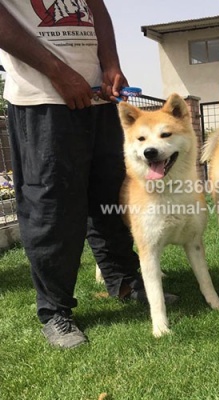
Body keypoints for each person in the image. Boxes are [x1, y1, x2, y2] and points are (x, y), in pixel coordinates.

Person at [0, 0, 177, 349]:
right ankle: (55, 311)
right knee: (52, 209)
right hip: (43, 99)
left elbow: (95, 6)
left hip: (98, 98)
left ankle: (125, 281)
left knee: (111, 196)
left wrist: (110, 64)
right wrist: (57, 72)